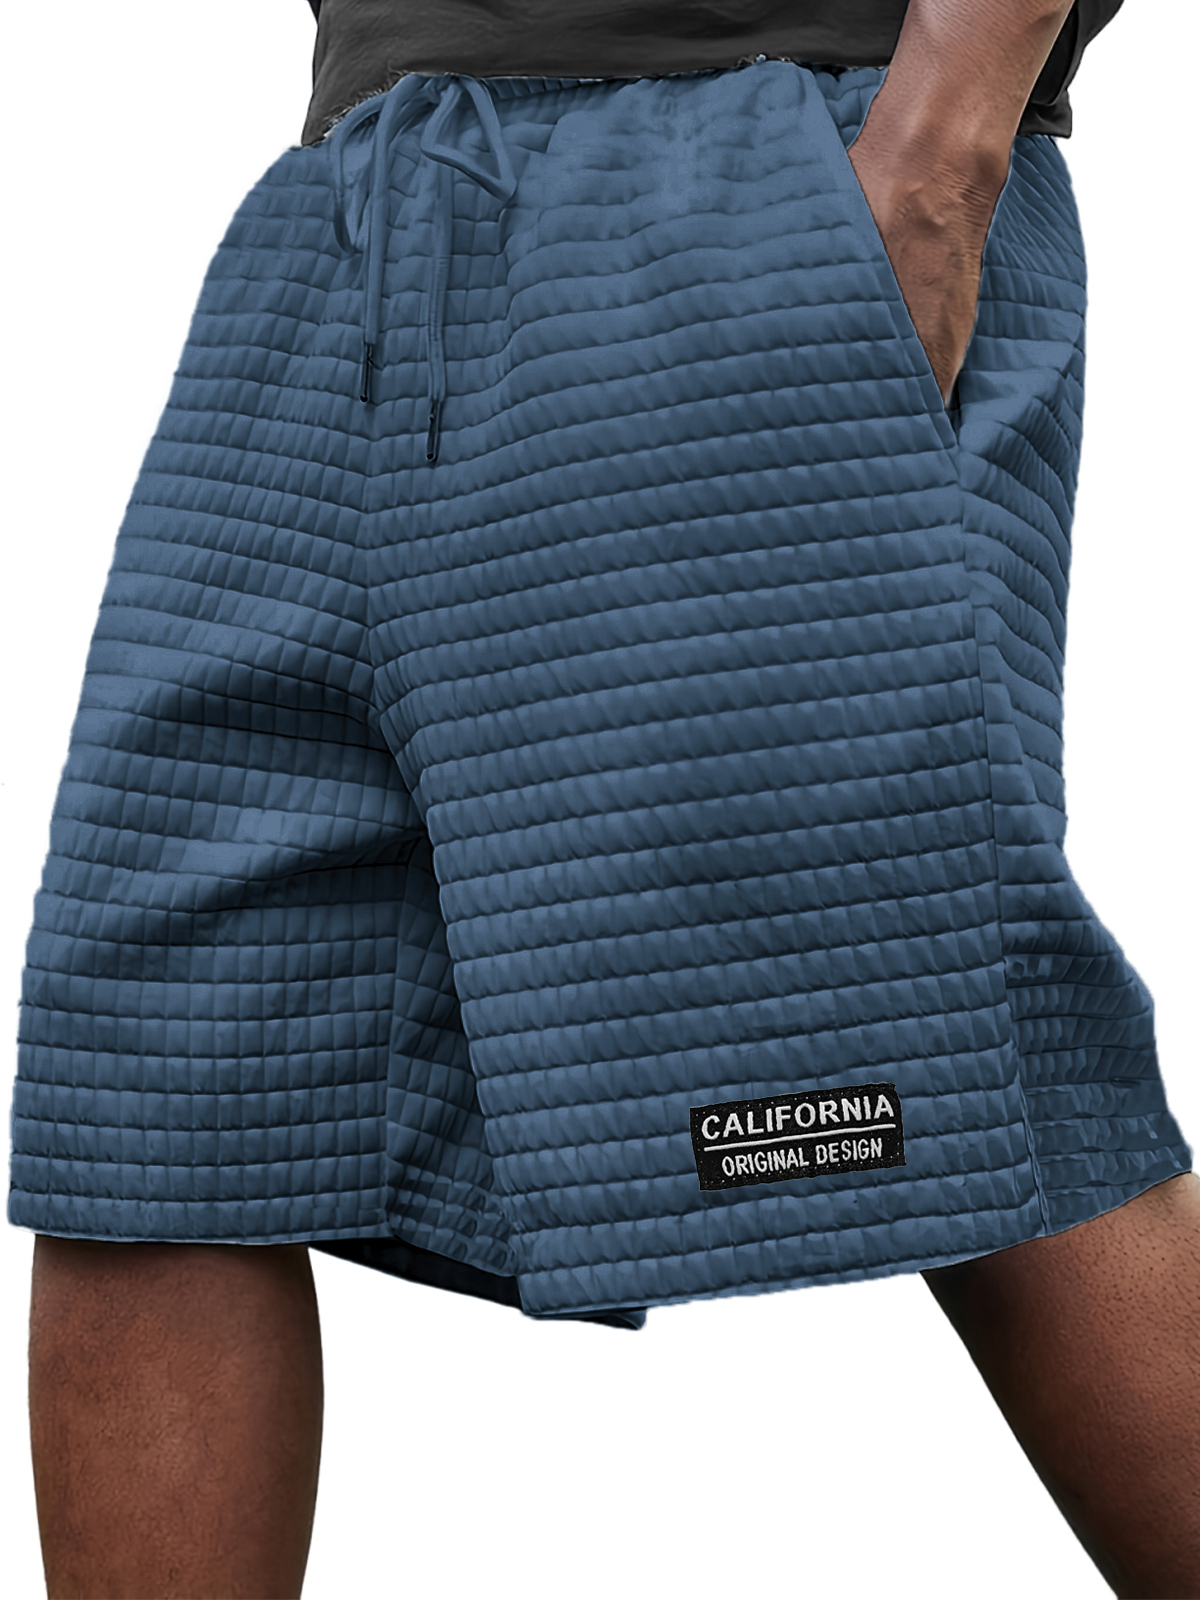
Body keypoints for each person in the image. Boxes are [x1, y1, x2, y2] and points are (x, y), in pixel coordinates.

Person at [11, 2, 1200, 1596]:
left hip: (752, 147)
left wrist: (933, 157)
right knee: (159, 1091)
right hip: (360, 178)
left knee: (935, 1037)